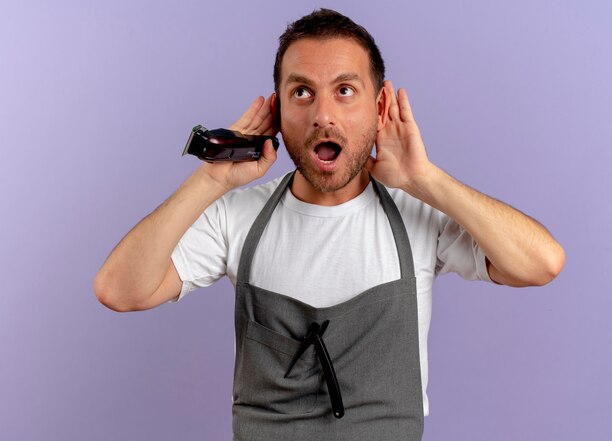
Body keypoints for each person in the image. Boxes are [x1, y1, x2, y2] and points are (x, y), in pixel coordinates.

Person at [94, 8, 565, 441]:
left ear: (379, 107)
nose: (323, 115)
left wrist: (426, 179)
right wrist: (212, 179)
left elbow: (540, 263)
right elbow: (119, 290)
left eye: (344, 91)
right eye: (302, 92)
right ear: (277, 111)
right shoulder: (237, 217)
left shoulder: (418, 213)